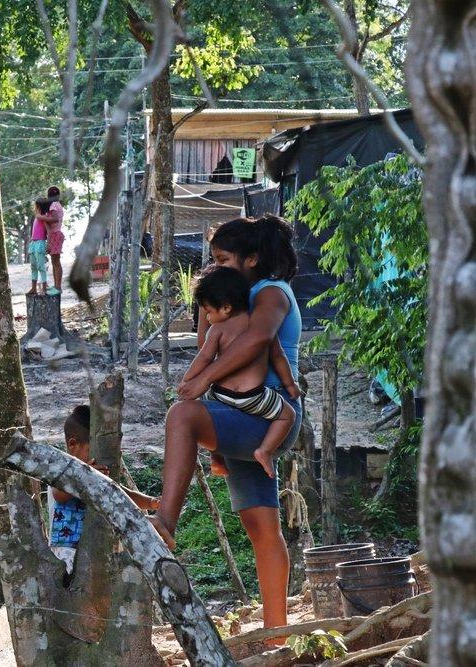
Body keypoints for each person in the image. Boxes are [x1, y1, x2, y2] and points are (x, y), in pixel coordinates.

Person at [149, 215, 303, 637]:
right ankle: (277, 632)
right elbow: (207, 343)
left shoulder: (270, 293)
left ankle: (165, 520)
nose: (214, 266)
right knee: (261, 528)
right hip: (239, 418)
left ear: (251, 259)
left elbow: (257, 341)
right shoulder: (233, 295)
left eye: (222, 259)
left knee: (182, 414)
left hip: (269, 414)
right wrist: (207, 297)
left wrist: (204, 379)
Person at [185, 266, 299, 479]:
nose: (207, 318)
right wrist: (290, 384)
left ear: (226, 308)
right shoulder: (258, 327)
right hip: (253, 398)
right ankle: (265, 450)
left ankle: (216, 456)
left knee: (208, 408)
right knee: (287, 415)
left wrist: (189, 379)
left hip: (220, 395)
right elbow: (278, 357)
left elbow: (204, 358)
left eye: (208, 311)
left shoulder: (216, 330)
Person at [50, 405, 160, 574]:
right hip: (67, 549)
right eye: (90, 451)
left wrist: (151, 502)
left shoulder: (97, 471)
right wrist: (84, 474)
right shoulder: (61, 466)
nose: (96, 458)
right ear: (73, 445)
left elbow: (121, 492)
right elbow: (59, 494)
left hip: (98, 547)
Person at [34, 185, 65, 296]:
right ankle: (56, 286)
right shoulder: (57, 204)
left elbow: (55, 219)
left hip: (56, 234)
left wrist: (41, 217)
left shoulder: (54, 205)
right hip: (54, 235)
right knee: (54, 262)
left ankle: (58, 287)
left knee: (56, 262)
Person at [27, 198, 51, 296]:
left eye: (36, 205)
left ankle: (44, 289)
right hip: (33, 243)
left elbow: (48, 231)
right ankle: (33, 288)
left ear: (39, 206)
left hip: (40, 243)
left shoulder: (42, 217)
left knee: (41, 267)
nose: (35, 207)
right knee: (33, 266)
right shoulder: (37, 217)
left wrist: (48, 244)